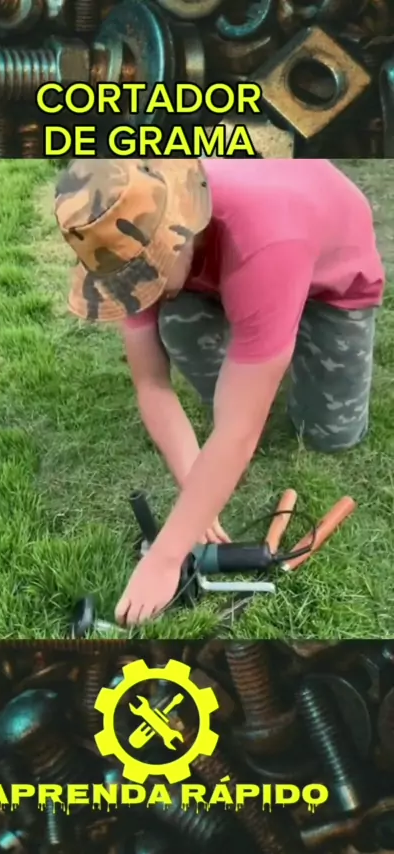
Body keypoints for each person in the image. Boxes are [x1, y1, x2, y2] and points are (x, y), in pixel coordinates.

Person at [54, 158, 385, 626]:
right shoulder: (125, 232)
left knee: (329, 434)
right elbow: (151, 383)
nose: (135, 291)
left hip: (328, 274)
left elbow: (237, 432)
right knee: (181, 326)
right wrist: (197, 488)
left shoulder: (265, 241)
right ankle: (260, 351)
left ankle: (269, 340)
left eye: (144, 276)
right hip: (238, 263)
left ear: (177, 236)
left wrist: (165, 559)